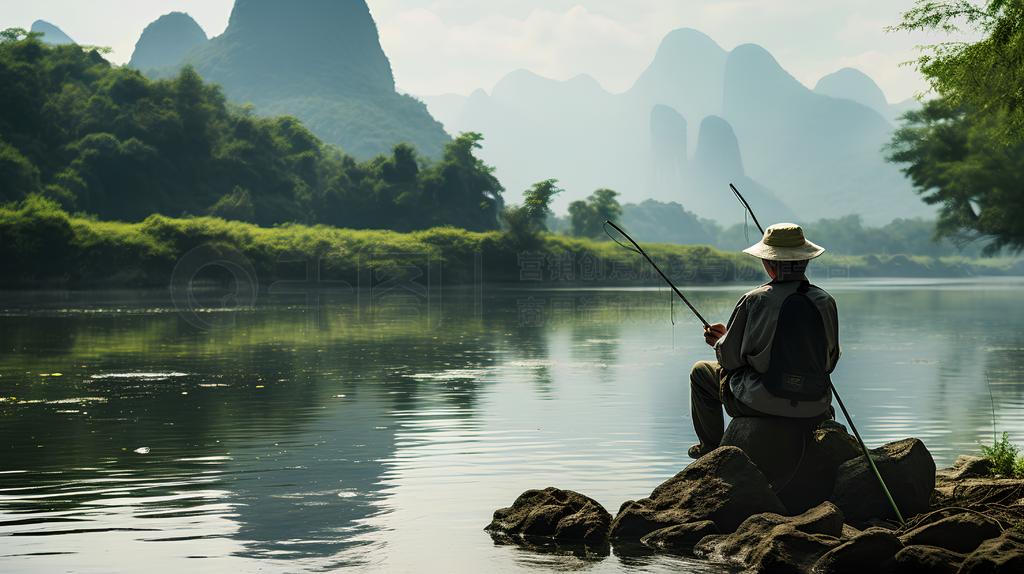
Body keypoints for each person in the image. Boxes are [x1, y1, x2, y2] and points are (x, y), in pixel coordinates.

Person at [688, 222, 840, 459]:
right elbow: (829, 362)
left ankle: (711, 452)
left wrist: (720, 342)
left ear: (769, 265)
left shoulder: (755, 300)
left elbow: (730, 360)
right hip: (814, 404)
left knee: (700, 372)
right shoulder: (826, 301)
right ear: (805, 261)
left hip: (764, 402)